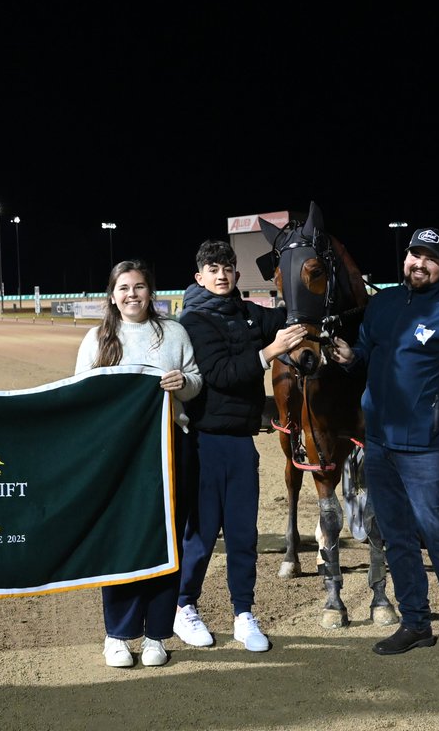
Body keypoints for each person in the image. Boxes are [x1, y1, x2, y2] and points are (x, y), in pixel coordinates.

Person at [329, 227, 439, 668]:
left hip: (432, 449)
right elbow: (368, 353)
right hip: (381, 445)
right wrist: (352, 357)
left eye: (429, 258)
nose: (418, 264)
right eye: (413, 255)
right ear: (404, 259)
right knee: (398, 538)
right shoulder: (382, 304)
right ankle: (416, 623)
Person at [174, 240, 306, 652]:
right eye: (212, 268)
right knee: (201, 535)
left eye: (228, 267)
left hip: (241, 445)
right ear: (199, 277)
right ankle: (184, 606)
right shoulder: (193, 321)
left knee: (242, 534)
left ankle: (243, 614)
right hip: (204, 443)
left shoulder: (248, 313)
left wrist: (304, 288)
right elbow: (222, 374)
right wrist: (270, 352)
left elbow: (288, 315)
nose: (221, 274)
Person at [74, 260, 203, 667]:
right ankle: (117, 635)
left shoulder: (175, 332)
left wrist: (184, 384)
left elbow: (196, 381)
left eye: (140, 287)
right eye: (124, 288)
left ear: (152, 292)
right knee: (121, 540)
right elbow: (81, 394)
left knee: (166, 542)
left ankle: (156, 636)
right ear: (112, 295)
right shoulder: (97, 338)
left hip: (169, 450)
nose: (133, 294)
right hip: (119, 456)